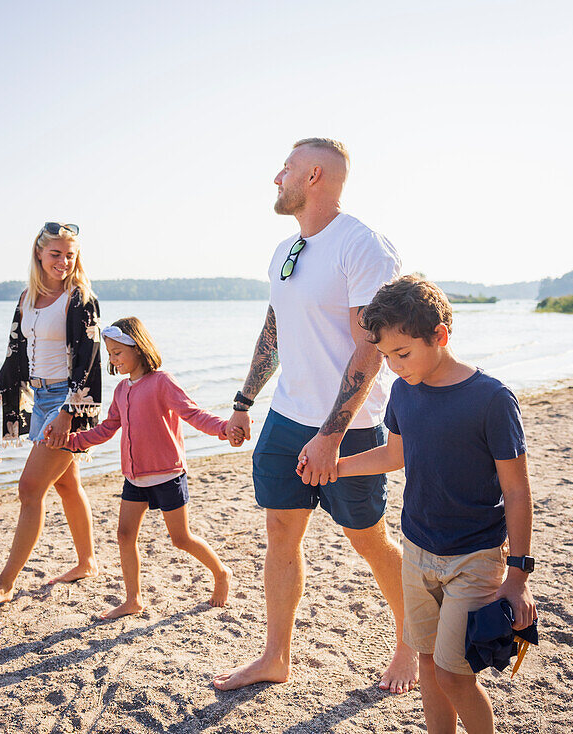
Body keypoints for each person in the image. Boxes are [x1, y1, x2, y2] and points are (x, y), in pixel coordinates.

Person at [214, 138, 417, 694]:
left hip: (348, 427)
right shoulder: (284, 250)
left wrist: (330, 436)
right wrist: (243, 401)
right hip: (286, 417)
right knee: (280, 533)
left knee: (368, 539)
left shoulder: (362, 246)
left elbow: (371, 347)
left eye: (287, 168)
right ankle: (274, 657)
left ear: (315, 176)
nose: (275, 177)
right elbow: (274, 330)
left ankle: (410, 641)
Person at [336, 276, 536, 734]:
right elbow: (393, 456)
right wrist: (336, 466)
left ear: (440, 336)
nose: (392, 366)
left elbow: (518, 492)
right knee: (427, 665)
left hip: (475, 557)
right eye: (385, 356)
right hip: (418, 552)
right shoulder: (404, 391)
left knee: (453, 672)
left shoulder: (492, 399)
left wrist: (519, 576)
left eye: (401, 354)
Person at [57, 317, 234, 619]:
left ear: (137, 347)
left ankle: (221, 573)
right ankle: (133, 599)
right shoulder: (121, 391)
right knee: (125, 535)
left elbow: (192, 413)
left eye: (117, 353)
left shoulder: (161, 382)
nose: (113, 360)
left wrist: (225, 428)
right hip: (134, 477)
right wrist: (75, 441)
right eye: (109, 354)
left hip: (167, 474)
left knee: (181, 539)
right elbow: (109, 427)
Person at [0, 221, 103, 607]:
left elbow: (89, 361)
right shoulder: (27, 298)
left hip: (66, 403)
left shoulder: (80, 298)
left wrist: (69, 412)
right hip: (40, 398)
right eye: (55, 254)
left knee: (29, 489)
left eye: (69, 255)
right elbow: (14, 355)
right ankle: (87, 562)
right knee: (66, 484)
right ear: (39, 254)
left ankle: (6, 582)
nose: (63, 261)